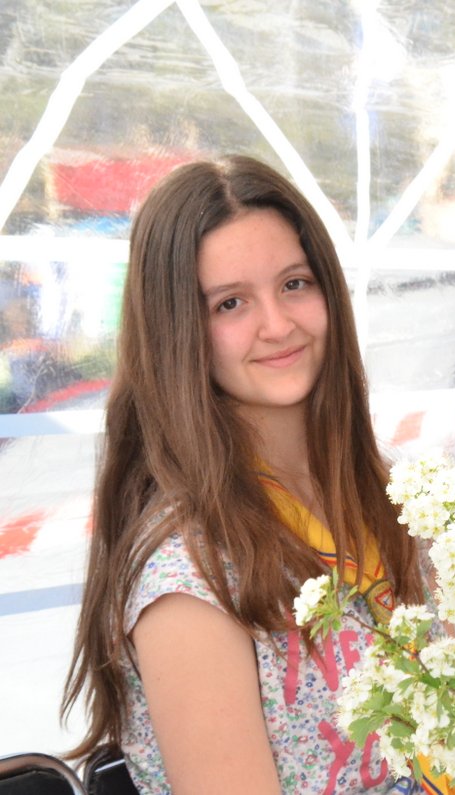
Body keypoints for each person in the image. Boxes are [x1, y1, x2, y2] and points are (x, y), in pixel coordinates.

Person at [61, 156, 423, 794]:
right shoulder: (189, 575)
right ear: (179, 332)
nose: (278, 325)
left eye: (295, 284)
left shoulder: (384, 496)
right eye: (231, 303)